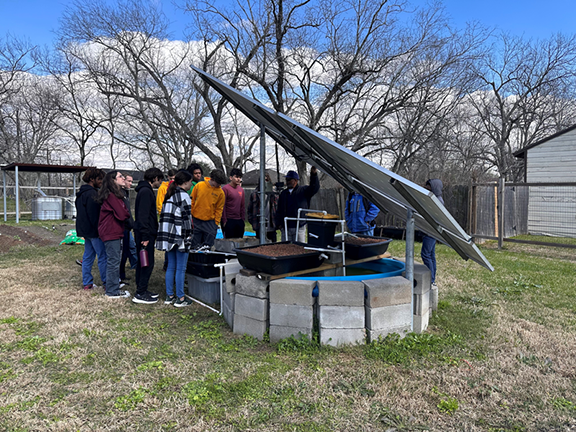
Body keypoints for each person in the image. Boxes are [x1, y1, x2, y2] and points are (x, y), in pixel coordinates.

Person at [156, 170, 194, 307]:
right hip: (180, 236)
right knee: (181, 268)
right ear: (185, 182)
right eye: (190, 181)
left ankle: (169, 295)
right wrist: (188, 236)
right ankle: (180, 298)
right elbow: (186, 220)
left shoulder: (169, 195)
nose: (191, 184)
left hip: (168, 237)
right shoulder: (184, 196)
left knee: (171, 266)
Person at [97, 171, 132, 299]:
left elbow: (123, 212)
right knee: (113, 261)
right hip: (111, 231)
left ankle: (113, 287)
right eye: (120, 177)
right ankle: (112, 291)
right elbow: (123, 214)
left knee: (114, 260)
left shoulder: (117, 195)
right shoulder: (111, 196)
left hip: (115, 231)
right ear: (113, 180)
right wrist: (125, 213)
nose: (123, 178)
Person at [132, 167, 164, 305]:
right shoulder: (146, 192)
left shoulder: (144, 190)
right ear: (155, 178)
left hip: (145, 232)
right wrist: (145, 236)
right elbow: (143, 216)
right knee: (147, 263)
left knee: (143, 261)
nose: (161, 183)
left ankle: (141, 288)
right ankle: (140, 292)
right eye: (160, 180)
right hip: (145, 234)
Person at [75, 167, 106, 290]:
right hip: (94, 231)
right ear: (92, 179)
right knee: (103, 256)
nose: (101, 182)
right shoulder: (93, 194)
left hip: (85, 231)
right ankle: (106, 282)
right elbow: (94, 216)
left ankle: (87, 283)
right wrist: (100, 231)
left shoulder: (81, 194)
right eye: (99, 179)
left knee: (88, 256)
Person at [275, 166, 320, 242]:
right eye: (286, 179)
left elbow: (314, 188)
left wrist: (314, 174)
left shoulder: (303, 190)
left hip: (299, 226)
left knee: (299, 248)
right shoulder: (283, 193)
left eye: (289, 179)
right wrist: (279, 224)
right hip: (286, 227)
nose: (287, 181)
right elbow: (279, 209)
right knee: (285, 249)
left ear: (296, 180)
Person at [190, 168, 227, 249]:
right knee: (194, 245)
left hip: (210, 222)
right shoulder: (199, 186)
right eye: (218, 183)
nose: (219, 185)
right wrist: (191, 215)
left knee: (207, 246)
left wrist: (215, 224)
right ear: (212, 179)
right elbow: (192, 201)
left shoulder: (221, 193)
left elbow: (219, 209)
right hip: (196, 220)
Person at [421, 178, 444, 289]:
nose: (427, 188)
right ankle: (432, 279)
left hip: (431, 230)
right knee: (431, 255)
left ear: (434, 187)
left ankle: (431, 280)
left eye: (429, 186)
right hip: (431, 230)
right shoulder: (435, 198)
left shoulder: (437, 201)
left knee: (425, 254)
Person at [248, 172, 278, 242]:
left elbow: (277, 208)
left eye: (267, 180)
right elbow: (249, 210)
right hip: (259, 227)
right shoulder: (254, 194)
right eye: (263, 180)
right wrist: (253, 222)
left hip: (271, 227)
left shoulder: (273, 194)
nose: (265, 182)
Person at [120, 174, 138, 282]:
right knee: (123, 252)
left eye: (131, 181)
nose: (130, 184)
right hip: (123, 228)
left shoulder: (126, 194)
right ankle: (120, 275)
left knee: (127, 250)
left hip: (128, 227)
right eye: (128, 181)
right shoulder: (120, 194)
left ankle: (122, 274)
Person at [221, 168, 246, 239]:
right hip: (229, 220)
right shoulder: (225, 189)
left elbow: (242, 206)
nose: (238, 179)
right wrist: (224, 220)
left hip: (239, 220)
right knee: (229, 243)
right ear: (231, 178)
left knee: (239, 242)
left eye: (240, 177)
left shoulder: (241, 190)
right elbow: (223, 205)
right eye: (236, 177)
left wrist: (242, 220)